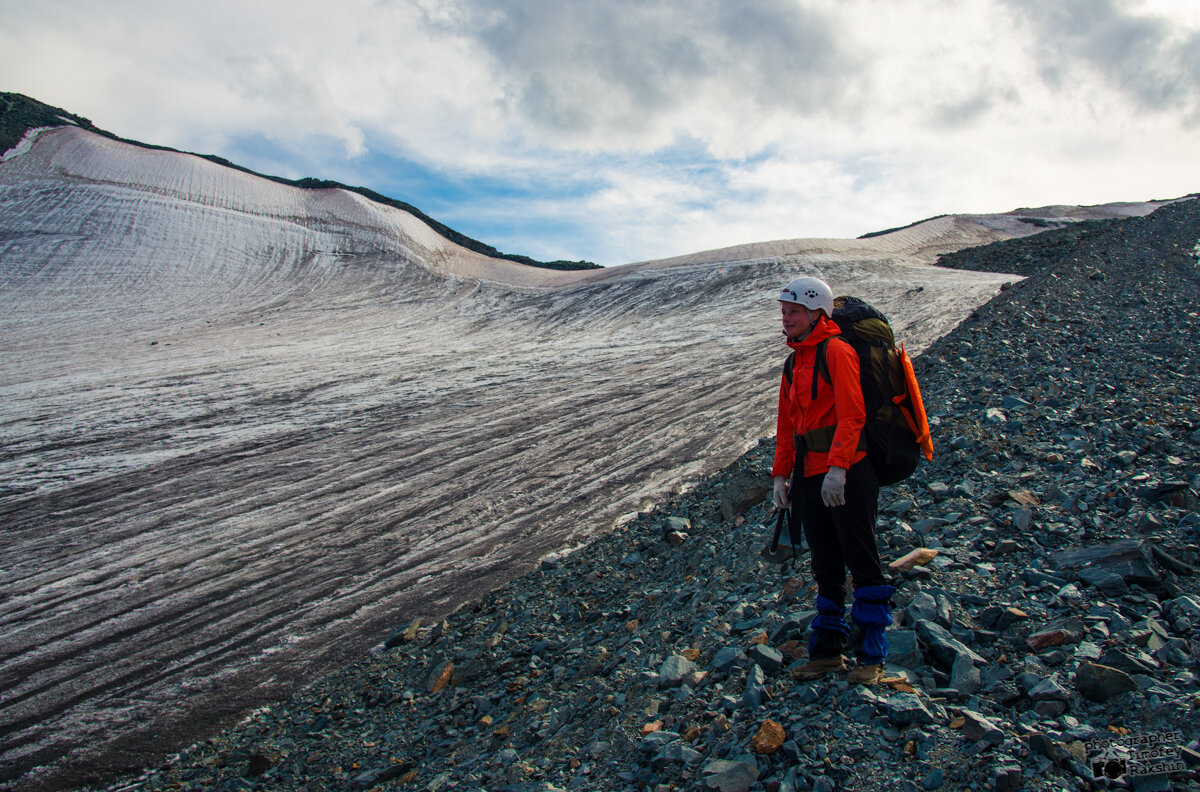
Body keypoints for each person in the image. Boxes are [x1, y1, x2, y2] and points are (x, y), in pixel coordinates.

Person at [771, 276, 893, 685]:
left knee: (861, 559)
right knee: (825, 563)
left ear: (815, 313)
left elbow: (853, 413)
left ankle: (871, 657)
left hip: (848, 470)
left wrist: (839, 468)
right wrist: (780, 476)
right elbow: (787, 426)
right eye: (784, 311)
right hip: (809, 473)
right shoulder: (795, 361)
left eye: (793, 312)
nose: (785, 318)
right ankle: (826, 654)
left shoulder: (837, 351)